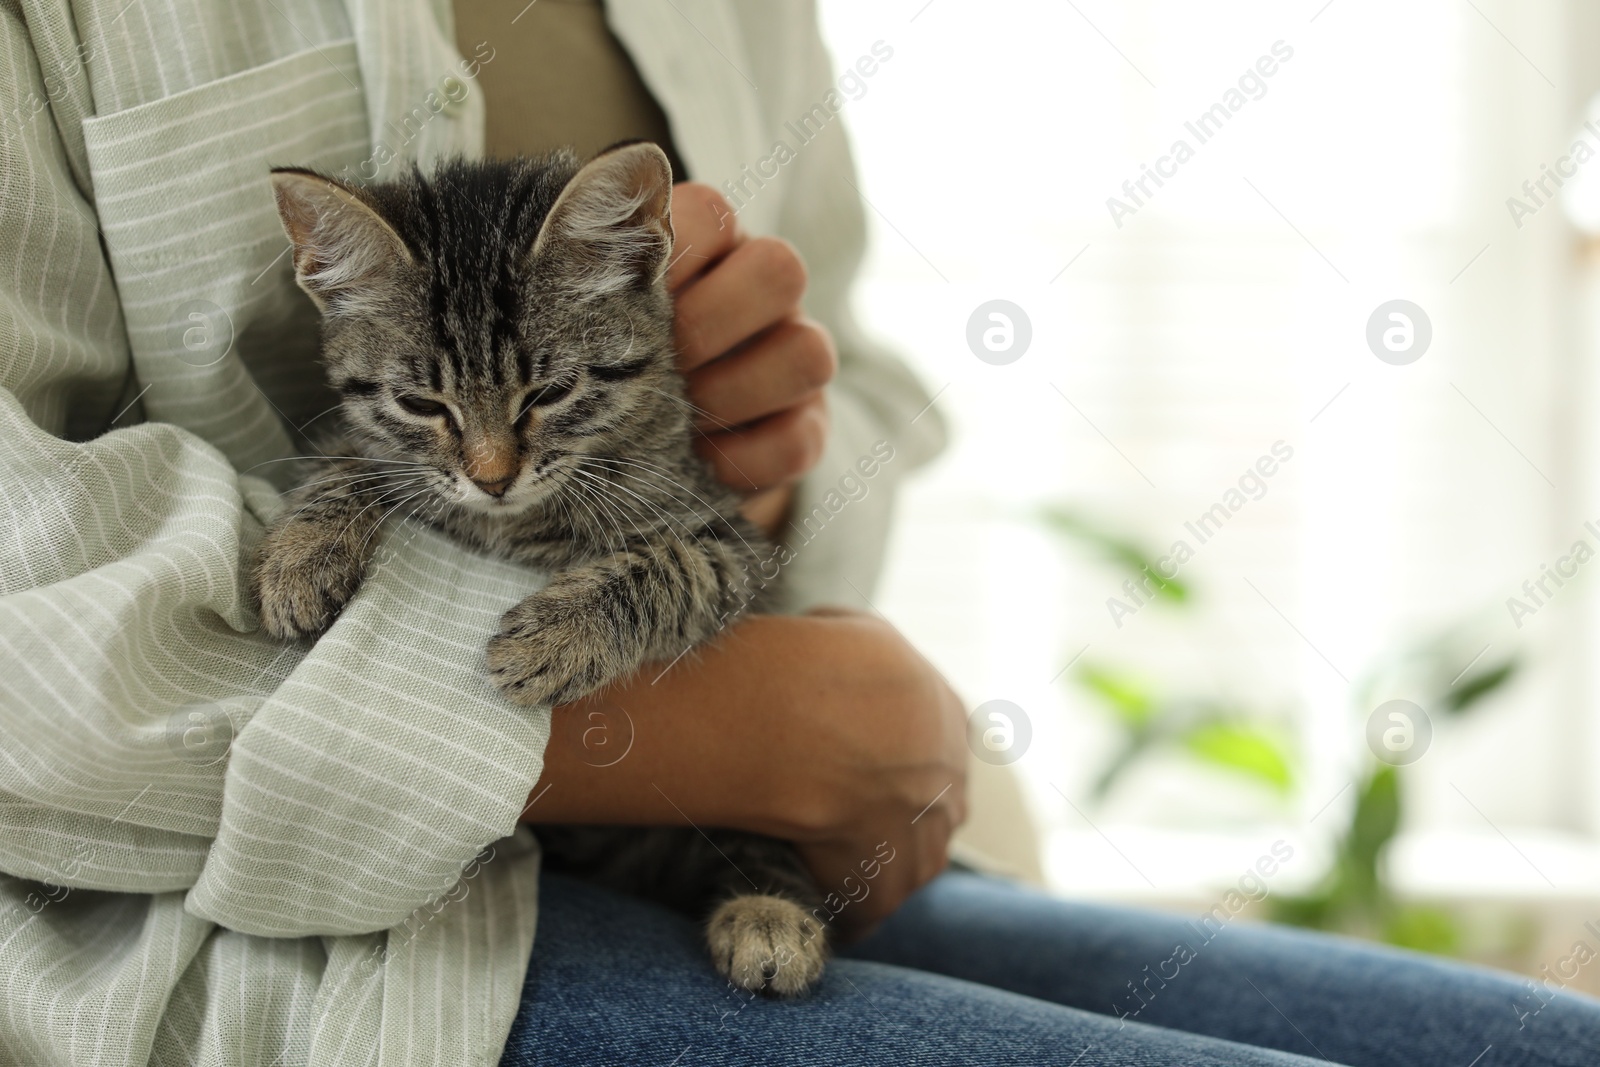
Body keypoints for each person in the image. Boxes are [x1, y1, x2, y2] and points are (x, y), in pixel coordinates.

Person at [0, 2, 1596, 1065]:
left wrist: (766, 458)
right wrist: (670, 721)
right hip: (252, 948)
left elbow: (856, 370)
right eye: (446, 426)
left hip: (687, 847)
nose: (486, 467)